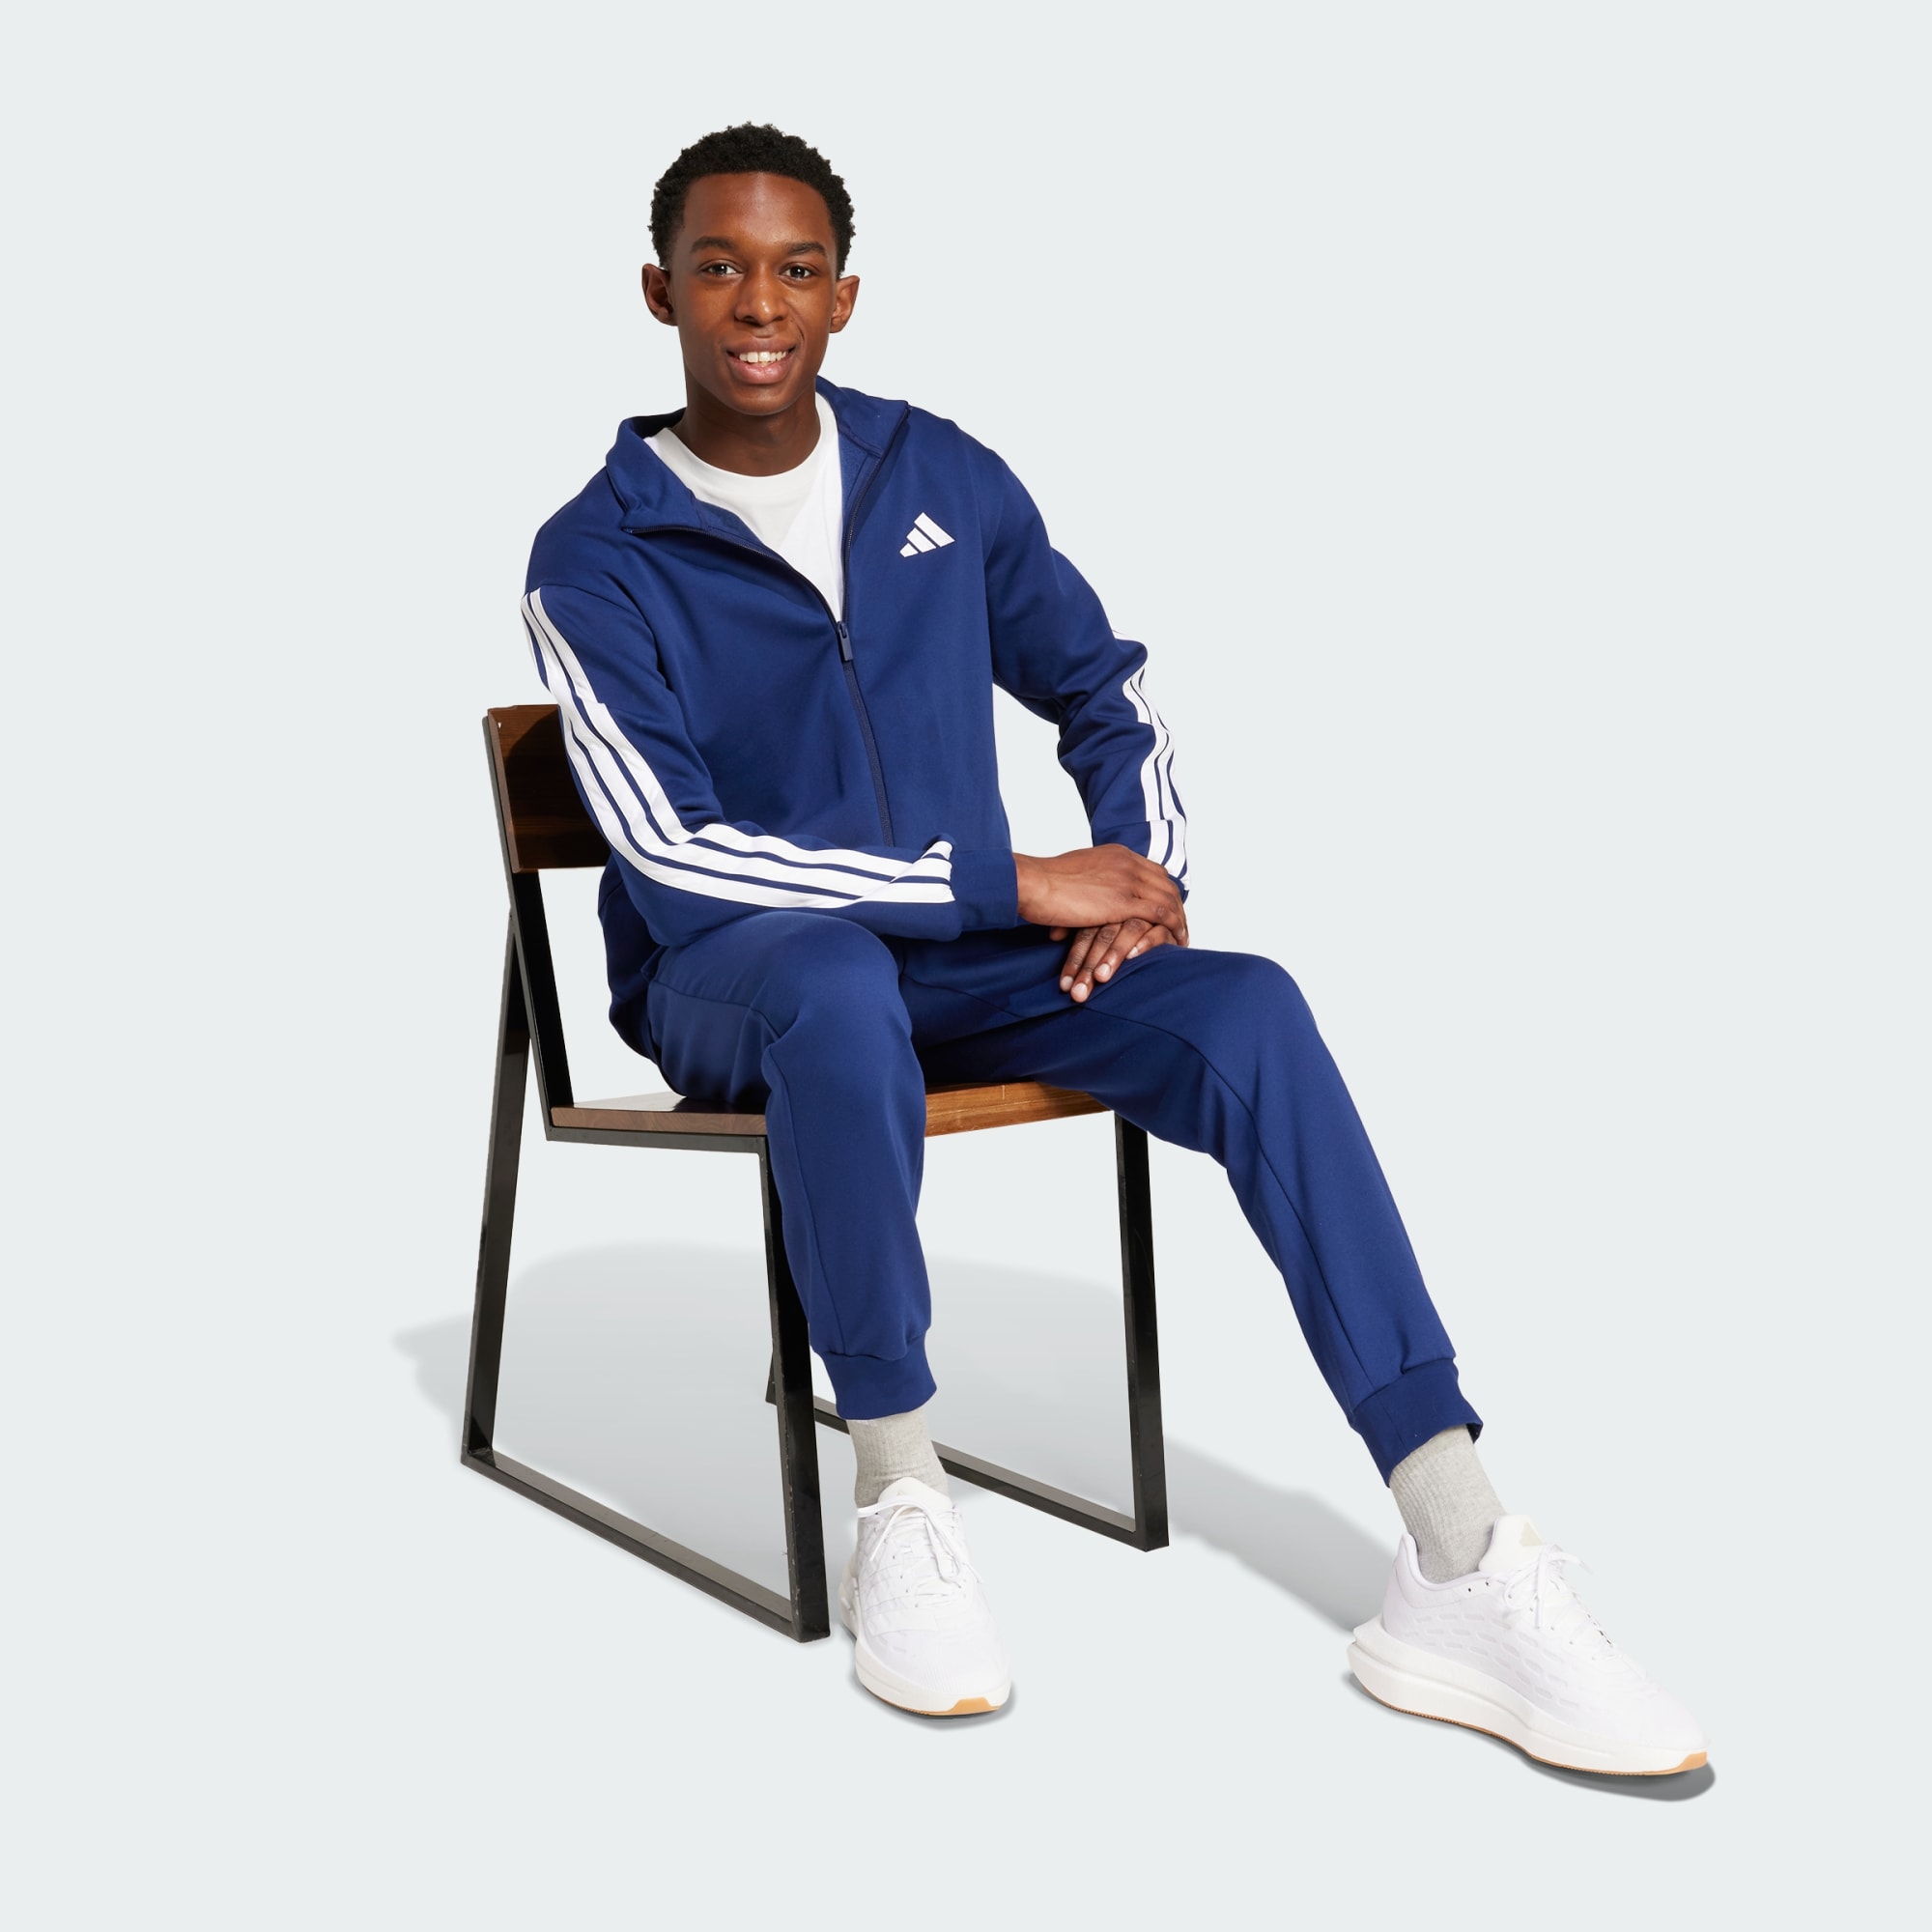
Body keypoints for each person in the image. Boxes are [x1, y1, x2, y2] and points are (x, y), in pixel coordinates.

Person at [522, 123, 1707, 1776]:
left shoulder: (940, 477)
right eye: (718, 267)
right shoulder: (596, 552)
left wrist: (1139, 881)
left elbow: (1104, 683)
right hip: (740, 980)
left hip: (957, 967)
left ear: (847, 296)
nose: (758, 303)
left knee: (1248, 1010)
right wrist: (1012, 882)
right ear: (660, 292)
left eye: (796, 268)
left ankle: (1457, 1547)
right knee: (837, 988)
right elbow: (675, 847)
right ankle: (901, 1497)